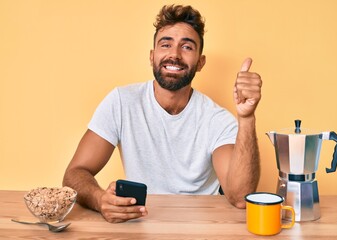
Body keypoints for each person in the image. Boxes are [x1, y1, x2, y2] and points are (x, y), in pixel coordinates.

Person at [63, 4, 262, 223]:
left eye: (187, 47)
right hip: (142, 223)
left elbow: (241, 198)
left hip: (204, 227)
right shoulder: (122, 102)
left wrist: (247, 118)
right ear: (152, 56)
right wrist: (100, 199)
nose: (174, 55)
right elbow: (74, 173)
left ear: (200, 63)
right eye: (166, 44)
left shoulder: (217, 119)